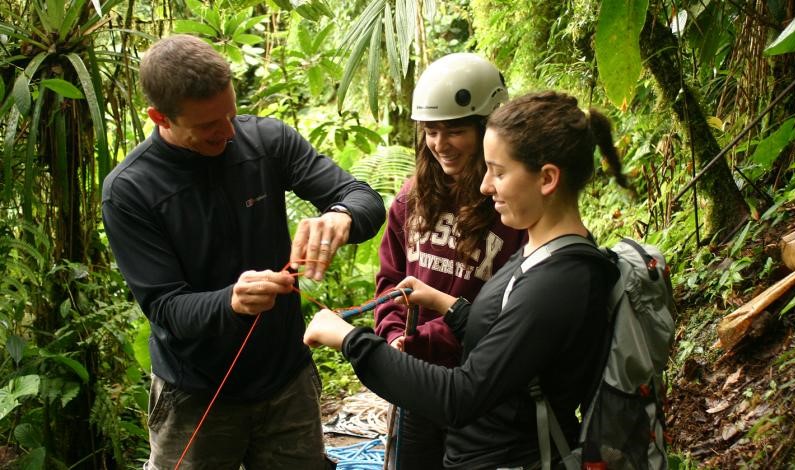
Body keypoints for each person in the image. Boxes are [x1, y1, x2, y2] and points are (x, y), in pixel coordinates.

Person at [101, 34, 385, 469]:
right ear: (160, 117)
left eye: (230, 114)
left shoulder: (266, 142)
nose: (228, 131)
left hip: (285, 380)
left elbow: (361, 195)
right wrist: (230, 301)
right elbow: (165, 307)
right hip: (195, 395)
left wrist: (341, 217)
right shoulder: (130, 190)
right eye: (209, 125)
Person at [305, 91, 629, 469]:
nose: (484, 185)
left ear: (547, 179)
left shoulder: (559, 282)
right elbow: (503, 333)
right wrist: (445, 304)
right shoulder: (539, 252)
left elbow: (461, 396)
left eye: (499, 171)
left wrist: (349, 340)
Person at [374, 53, 526, 469]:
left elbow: (512, 311)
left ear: (487, 129)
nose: (440, 144)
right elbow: (391, 281)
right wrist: (392, 336)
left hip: (482, 391)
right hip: (418, 384)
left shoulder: (511, 210)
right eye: (431, 131)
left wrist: (428, 338)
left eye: (455, 131)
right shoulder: (411, 200)